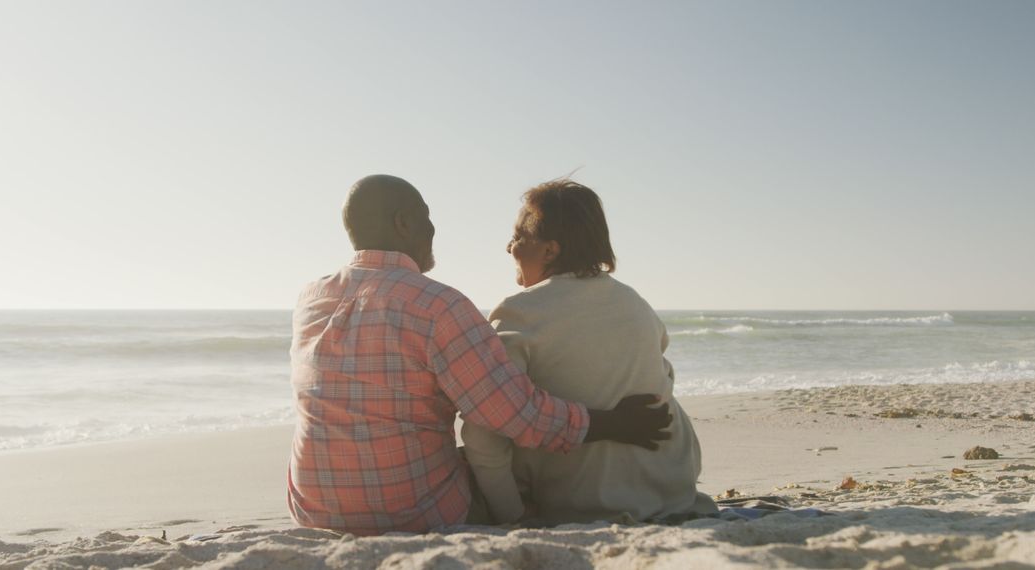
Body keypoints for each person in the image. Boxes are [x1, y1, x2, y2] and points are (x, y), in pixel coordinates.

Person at [287, 174, 673, 536]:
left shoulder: (310, 299)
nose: (433, 231)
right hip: (413, 513)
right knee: (497, 458)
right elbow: (513, 413)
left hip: (312, 510)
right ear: (403, 223)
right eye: (427, 219)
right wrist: (611, 424)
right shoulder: (438, 305)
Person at [462, 178, 718, 525]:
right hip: (670, 490)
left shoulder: (520, 311)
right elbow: (662, 381)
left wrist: (512, 515)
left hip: (584, 502)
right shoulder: (635, 302)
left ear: (550, 251)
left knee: (471, 450)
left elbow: (484, 431)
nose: (509, 248)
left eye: (518, 237)